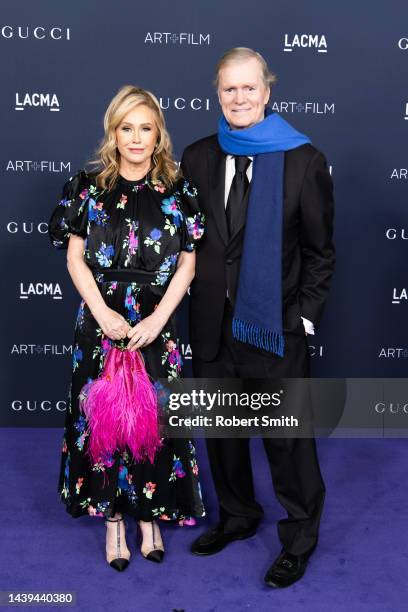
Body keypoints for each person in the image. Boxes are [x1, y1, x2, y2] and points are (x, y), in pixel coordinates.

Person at [181, 48, 335, 588]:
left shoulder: (304, 160)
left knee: (287, 442)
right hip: (211, 325)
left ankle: (299, 539)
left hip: (275, 326)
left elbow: (320, 253)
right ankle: (239, 515)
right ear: (217, 93)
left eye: (249, 89)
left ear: (267, 92)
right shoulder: (198, 156)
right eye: (229, 89)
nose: (239, 99)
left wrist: (303, 318)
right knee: (223, 435)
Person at [49, 85, 205, 572]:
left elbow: (188, 265)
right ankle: (113, 518)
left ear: (158, 134)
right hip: (100, 322)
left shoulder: (180, 191)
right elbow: (75, 258)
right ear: (112, 133)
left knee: (154, 421)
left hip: (156, 324)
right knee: (104, 423)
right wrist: (100, 311)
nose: (136, 138)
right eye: (126, 128)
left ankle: (149, 515)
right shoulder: (87, 188)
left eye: (145, 128)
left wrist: (159, 320)